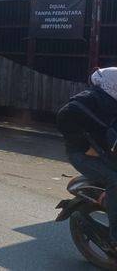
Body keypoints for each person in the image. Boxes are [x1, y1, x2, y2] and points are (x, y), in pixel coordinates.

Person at [57, 67, 117, 248]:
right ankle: (115, 239)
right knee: (115, 180)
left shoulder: (110, 102)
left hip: (105, 150)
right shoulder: (92, 99)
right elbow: (64, 115)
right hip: (82, 155)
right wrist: (84, 146)